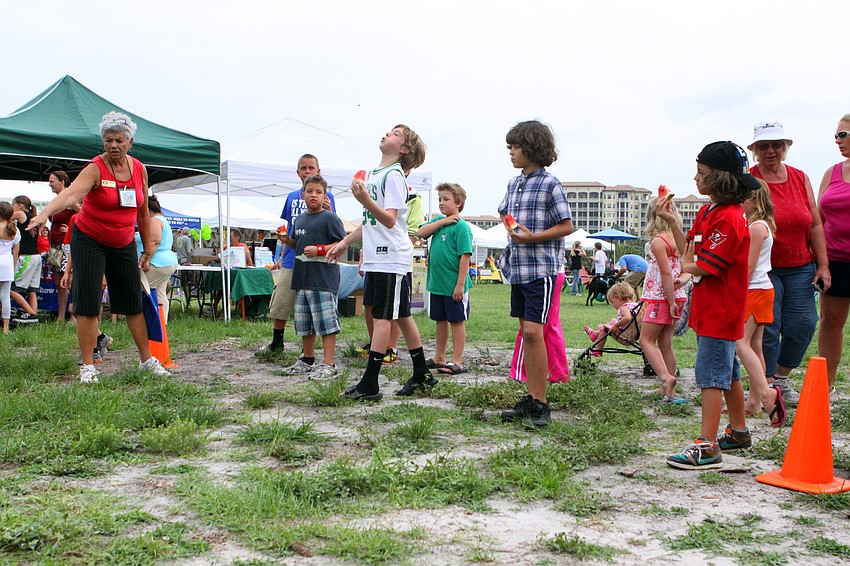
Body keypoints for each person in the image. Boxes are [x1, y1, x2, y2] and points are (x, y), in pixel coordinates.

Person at [27, 111, 171, 383]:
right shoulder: (95, 167)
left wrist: (147, 249)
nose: (113, 145)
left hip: (124, 241)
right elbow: (71, 195)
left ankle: (147, 360)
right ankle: (87, 366)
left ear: (130, 142)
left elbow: (142, 210)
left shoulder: (139, 168)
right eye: (107, 140)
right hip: (90, 238)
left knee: (132, 302)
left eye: (118, 140)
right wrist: (45, 214)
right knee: (88, 302)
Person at [663, 141, 756, 470]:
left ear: (720, 178)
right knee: (728, 373)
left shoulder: (730, 219)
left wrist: (689, 264)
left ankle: (707, 444)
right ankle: (739, 432)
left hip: (722, 310)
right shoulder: (709, 211)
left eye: (701, 173)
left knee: (710, 377)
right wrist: (672, 221)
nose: (695, 178)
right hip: (710, 309)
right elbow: (686, 250)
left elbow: (705, 265)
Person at [326, 124, 432, 401]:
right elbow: (369, 222)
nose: (387, 134)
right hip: (377, 257)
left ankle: (370, 381)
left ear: (404, 149)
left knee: (383, 317)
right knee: (400, 314)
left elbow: (389, 218)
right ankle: (421, 372)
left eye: (396, 134)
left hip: (391, 256)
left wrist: (364, 199)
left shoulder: (394, 175)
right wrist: (344, 243)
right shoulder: (374, 174)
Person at [748, 121, 830, 406]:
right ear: (755, 150)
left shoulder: (799, 177)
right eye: (764, 146)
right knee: (768, 327)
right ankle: (767, 384)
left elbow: (815, 223)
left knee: (804, 323)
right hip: (764, 268)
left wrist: (823, 265)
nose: (770, 150)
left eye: (776, 145)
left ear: (786, 147)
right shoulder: (749, 179)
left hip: (801, 265)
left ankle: (782, 377)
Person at [497, 120, 573, 427]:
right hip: (519, 269)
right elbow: (504, 211)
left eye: (515, 147)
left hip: (541, 269)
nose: (511, 153)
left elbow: (566, 225)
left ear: (532, 148)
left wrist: (531, 237)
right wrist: (511, 225)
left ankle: (541, 403)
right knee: (527, 335)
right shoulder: (514, 184)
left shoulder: (551, 183)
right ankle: (532, 396)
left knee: (533, 332)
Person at [260, 154, 336, 354]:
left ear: (318, 171)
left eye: (311, 168)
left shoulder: (327, 197)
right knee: (282, 300)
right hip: (291, 259)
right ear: (298, 173)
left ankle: (309, 351)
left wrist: (330, 209)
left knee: (312, 307)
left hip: (316, 262)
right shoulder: (292, 197)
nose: (308, 171)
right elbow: (290, 228)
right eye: (304, 168)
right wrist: (281, 253)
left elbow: (334, 230)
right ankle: (277, 341)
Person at [278, 175, 346, 379]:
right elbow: (299, 246)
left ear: (325, 195)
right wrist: (286, 240)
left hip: (323, 280)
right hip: (302, 278)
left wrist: (319, 249)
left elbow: (342, 243)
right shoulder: (299, 219)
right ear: (303, 194)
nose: (313, 195)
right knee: (304, 323)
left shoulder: (330, 218)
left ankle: (329, 363)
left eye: (318, 192)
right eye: (310, 191)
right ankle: (307, 360)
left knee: (326, 323)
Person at [738, 180, 785, 425]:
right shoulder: (761, 225)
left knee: (740, 343)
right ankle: (755, 401)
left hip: (754, 289)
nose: (739, 202)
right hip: (762, 289)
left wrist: (736, 289)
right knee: (755, 345)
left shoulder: (756, 227)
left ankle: (767, 395)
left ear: (754, 200)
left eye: (743, 198)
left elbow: (749, 264)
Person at [417, 182, 474, 375]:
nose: (441, 203)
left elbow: (465, 256)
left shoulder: (462, 227)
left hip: (453, 286)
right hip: (437, 284)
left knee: (456, 321)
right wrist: (442, 221)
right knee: (440, 320)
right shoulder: (439, 225)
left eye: (446, 199)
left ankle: (457, 359)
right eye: (440, 199)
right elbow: (420, 232)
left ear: (458, 202)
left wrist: (459, 285)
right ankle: (439, 356)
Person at [640, 196, 689, 403]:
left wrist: (668, 302)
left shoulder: (658, 242)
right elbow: (684, 269)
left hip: (661, 298)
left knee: (646, 340)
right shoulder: (678, 240)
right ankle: (669, 389)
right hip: (678, 295)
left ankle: (665, 378)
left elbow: (665, 273)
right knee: (666, 342)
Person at [817, 114, 850, 395]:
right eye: (836, 136)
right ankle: (824, 386)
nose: (837, 141)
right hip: (835, 261)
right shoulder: (832, 173)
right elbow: (818, 218)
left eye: (843, 134)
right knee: (830, 322)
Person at [136, 195, 179, 323]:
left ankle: (148, 324)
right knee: (160, 292)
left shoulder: (154, 220)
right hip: (167, 262)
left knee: (143, 291)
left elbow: (155, 241)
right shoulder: (163, 220)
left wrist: (146, 258)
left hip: (156, 262)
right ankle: (161, 324)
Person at [46, 171, 80, 323]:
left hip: (66, 245)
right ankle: (60, 316)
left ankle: (73, 315)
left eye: (52, 181)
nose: (50, 184)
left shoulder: (70, 198)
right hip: (54, 246)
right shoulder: (57, 200)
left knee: (69, 281)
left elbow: (83, 213)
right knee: (58, 283)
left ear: (62, 181)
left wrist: (71, 227)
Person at [583, 282, 638, 356]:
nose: (613, 305)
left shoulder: (624, 308)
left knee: (604, 328)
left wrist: (616, 326)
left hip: (625, 336)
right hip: (634, 333)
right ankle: (595, 334)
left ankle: (598, 350)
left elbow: (628, 317)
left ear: (619, 298)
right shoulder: (636, 305)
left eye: (613, 302)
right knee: (613, 321)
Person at [10, 195, 41, 323]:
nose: (12, 208)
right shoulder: (33, 217)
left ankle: (31, 313)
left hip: (26, 256)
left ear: (20, 205)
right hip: (36, 256)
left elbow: (5, 216)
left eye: (13, 205)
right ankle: (33, 316)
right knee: (31, 290)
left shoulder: (21, 214)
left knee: (12, 288)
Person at [0, 202, 21, 333]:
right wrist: (13, 267)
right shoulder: (14, 229)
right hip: (7, 263)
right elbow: (16, 252)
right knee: (5, 296)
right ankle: (6, 327)